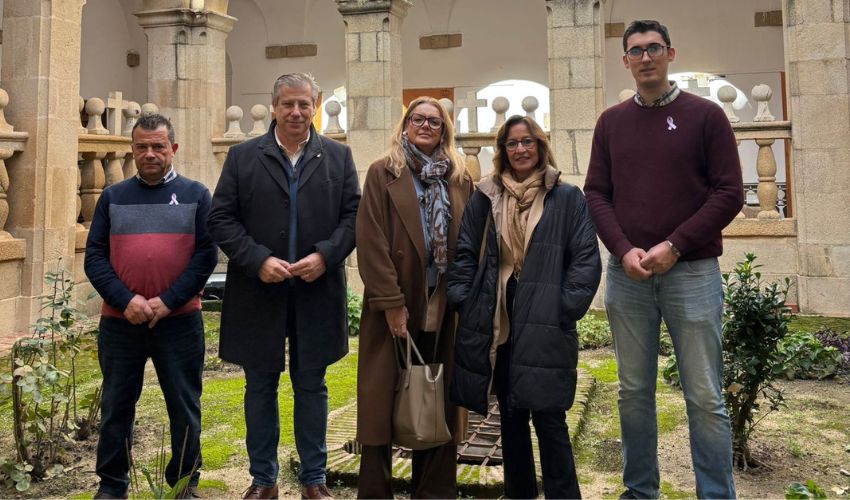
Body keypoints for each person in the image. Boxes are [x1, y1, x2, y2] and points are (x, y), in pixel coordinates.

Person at [584, 19, 743, 499]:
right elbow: (596, 193)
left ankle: (715, 494)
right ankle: (640, 491)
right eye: (636, 51)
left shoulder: (706, 116)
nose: (645, 57)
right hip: (628, 275)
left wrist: (675, 245)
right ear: (625, 61)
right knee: (633, 392)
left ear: (671, 54)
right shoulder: (611, 122)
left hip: (691, 273)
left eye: (654, 48)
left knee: (705, 395)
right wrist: (622, 248)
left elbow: (729, 193)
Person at [207, 73, 360, 500]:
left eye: (304, 104)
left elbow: (354, 217)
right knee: (259, 386)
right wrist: (257, 260)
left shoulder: (337, 157)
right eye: (288, 104)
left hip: (316, 290)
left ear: (315, 106)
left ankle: (314, 478)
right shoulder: (243, 157)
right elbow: (221, 218)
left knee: (311, 385)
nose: (296, 112)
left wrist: (325, 256)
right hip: (259, 292)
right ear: (273, 106)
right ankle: (263, 479)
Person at [448, 115, 601, 499]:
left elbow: (585, 260)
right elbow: (465, 252)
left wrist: (564, 307)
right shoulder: (486, 196)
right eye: (512, 143)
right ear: (502, 150)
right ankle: (519, 494)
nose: (520, 149)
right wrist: (465, 301)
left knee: (550, 418)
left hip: (547, 319)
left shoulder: (566, 197)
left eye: (527, 141)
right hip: (499, 316)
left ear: (540, 145)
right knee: (511, 416)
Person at [85, 113, 218, 499]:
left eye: (158, 146)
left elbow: (206, 256)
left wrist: (167, 301)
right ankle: (112, 485)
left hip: (179, 321)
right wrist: (126, 300)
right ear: (132, 149)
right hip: (120, 321)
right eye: (141, 146)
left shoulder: (196, 194)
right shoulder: (112, 197)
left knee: (184, 405)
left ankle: (184, 483)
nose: (150, 153)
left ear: (172, 149)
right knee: (116, 405)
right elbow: (94, 257)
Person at [355, 97, 472, 498]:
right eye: (417, 119)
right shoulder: (382, 172)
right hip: (394, 301)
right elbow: (371, 241)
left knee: (438, 397)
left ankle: (434, 492)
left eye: (434, 122)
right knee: (380, 403)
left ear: (444, 130)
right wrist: (390, 303)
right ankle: (375, 493)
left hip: (443, 302)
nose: (425, 126)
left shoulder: (459, 177)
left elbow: (471, 240)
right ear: (405, 126)